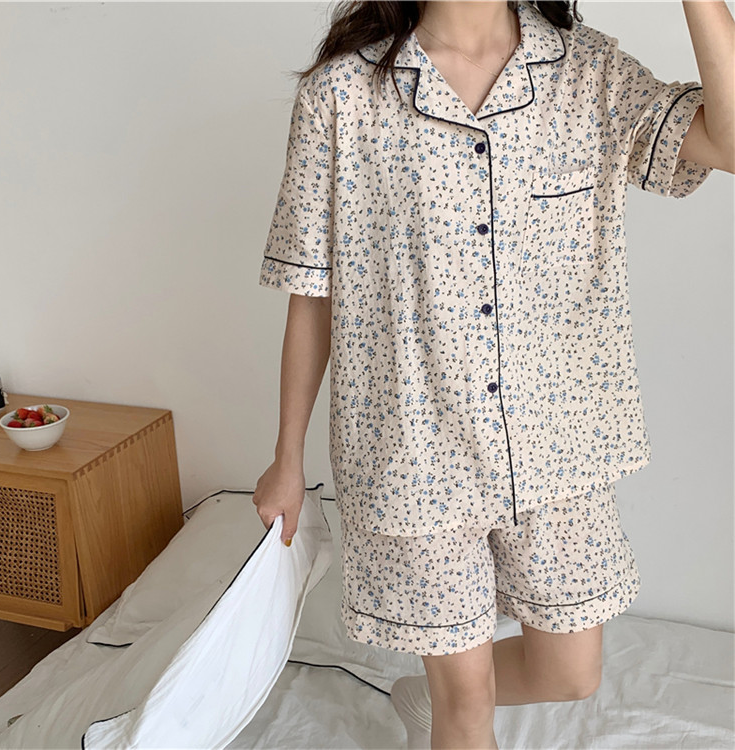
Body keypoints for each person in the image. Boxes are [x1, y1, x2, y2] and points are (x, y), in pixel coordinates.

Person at [253, 1, 733, 748]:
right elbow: (313, 294)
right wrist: (287, 457)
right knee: (469, 704)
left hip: (560, 449)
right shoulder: (340, 96)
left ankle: (425, 698)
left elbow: (727, 140)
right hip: (413, 454)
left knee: (572, 674)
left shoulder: (591, 72)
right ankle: (451, 704)